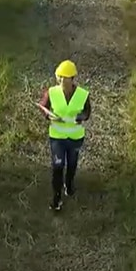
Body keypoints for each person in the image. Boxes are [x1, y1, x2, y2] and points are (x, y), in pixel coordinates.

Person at [38, 59, 91, 210]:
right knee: (57, 166)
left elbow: (87, 112)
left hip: (75, 138)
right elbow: (42, 106)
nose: (61, 80)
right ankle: (56, 198)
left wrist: (80, 117)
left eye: (65, 77)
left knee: (72, 164)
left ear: (72, 78)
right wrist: (49, 116)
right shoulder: (51, 92)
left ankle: (69, 184)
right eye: (59, 77)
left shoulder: (83, 94)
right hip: (57, 138)